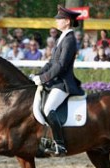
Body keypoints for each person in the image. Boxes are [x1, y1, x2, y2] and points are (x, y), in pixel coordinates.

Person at [29, 5, 84, 156]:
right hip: (55, 81)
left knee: (48, 109)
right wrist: (37, 75)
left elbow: (60, 66)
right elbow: (51, 62)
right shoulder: (62, 37)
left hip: (63, 83)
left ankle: (60, 145)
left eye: (59, 19)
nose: (57, 22)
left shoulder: (70, 39)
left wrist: (43, 78)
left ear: (67, 21)